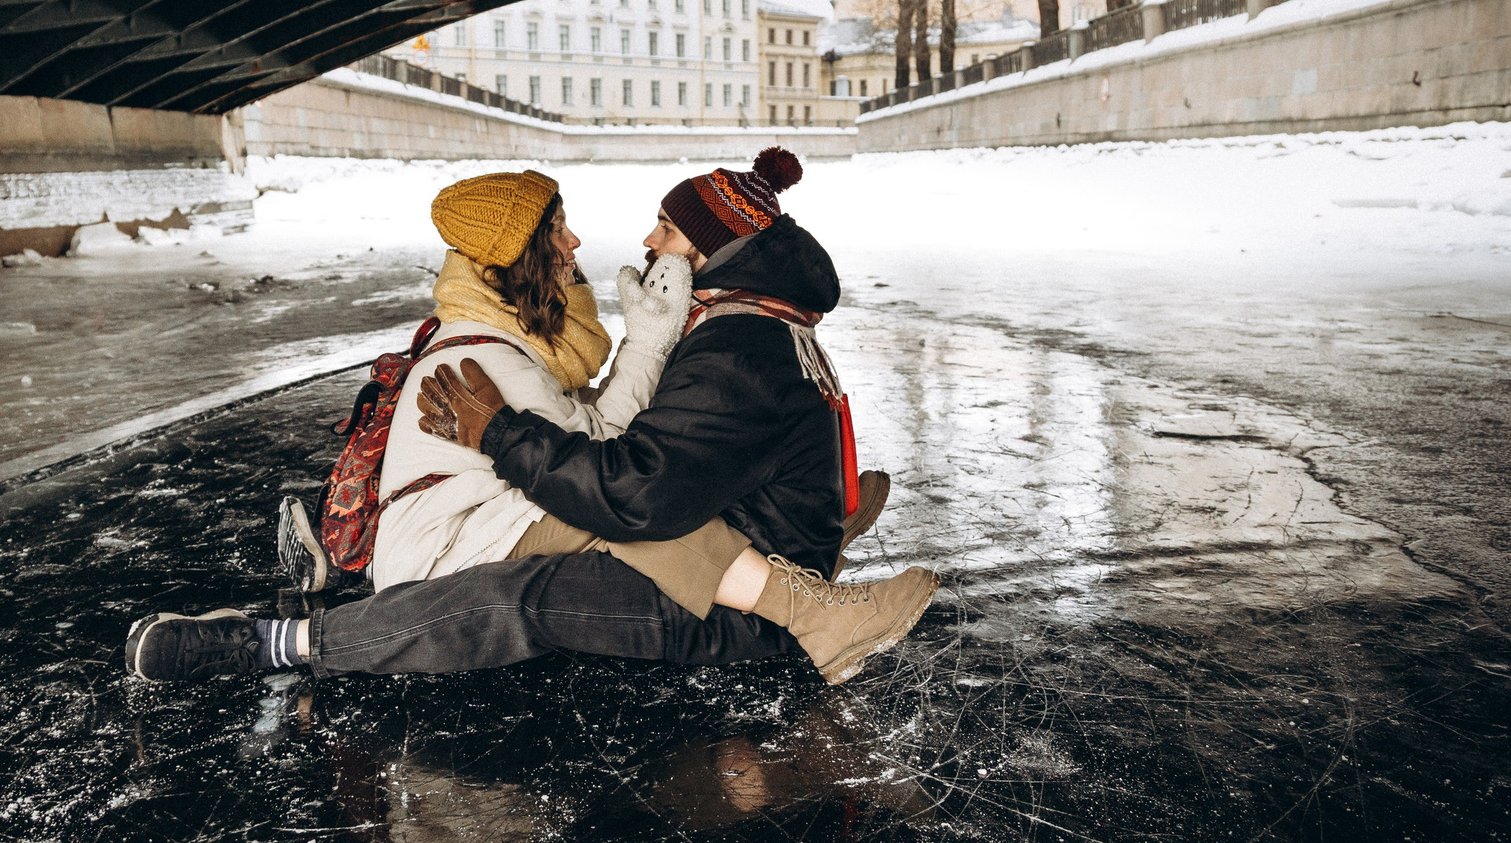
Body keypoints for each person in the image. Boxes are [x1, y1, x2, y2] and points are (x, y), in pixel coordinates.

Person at [129, 150, 937, 687]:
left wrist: (646, 346)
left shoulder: (521, 349)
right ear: (517, 256)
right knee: (622, 521)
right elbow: (616, 471)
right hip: (458, 543)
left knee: (623, 501)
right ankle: (809, 605)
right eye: (558, 230)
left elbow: (610, 454)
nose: (582, 240)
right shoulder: (484, 362)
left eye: (665, 227)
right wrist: (646, 348)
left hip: (493, 514)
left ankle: (797, 562)